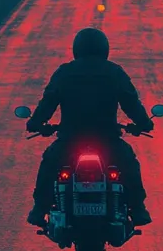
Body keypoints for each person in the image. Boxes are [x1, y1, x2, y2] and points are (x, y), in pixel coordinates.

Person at [26, 27, 154, 227]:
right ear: (104, 48)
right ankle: (138, 209)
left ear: (77, 48)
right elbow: (131, 102)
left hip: (70, 139)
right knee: (129, 163)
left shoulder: (64, 72)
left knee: (49, 164)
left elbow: (48, 101)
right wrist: (144, 123)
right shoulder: (114, 72)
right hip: (108, 139)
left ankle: (39, 209)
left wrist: (35, 123)